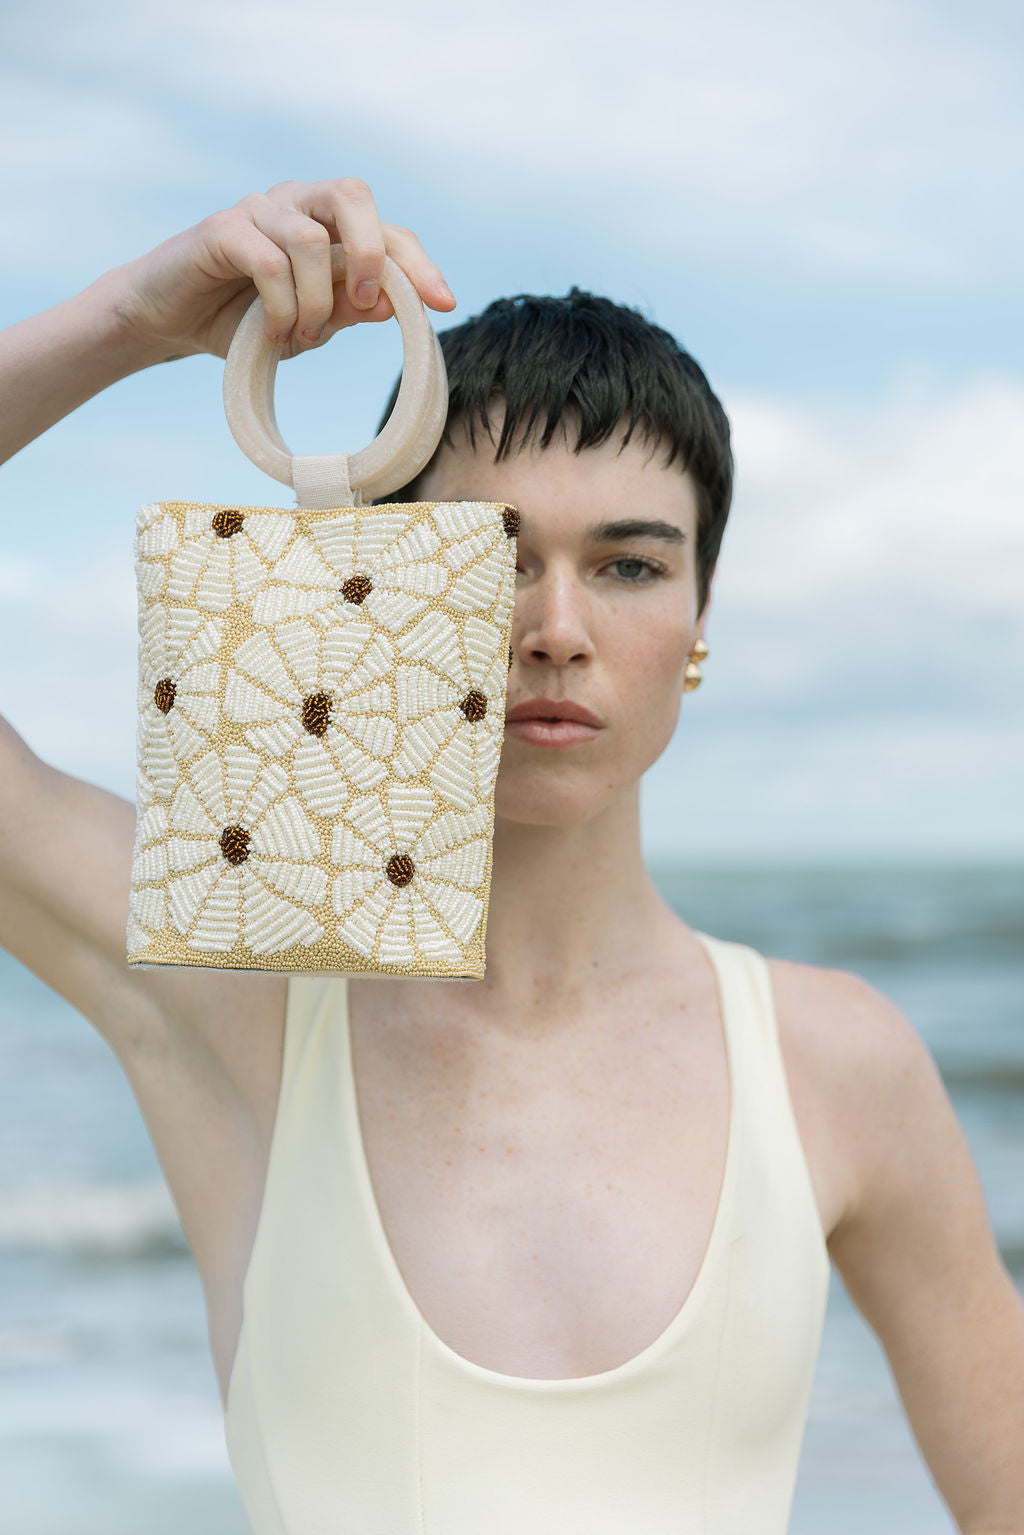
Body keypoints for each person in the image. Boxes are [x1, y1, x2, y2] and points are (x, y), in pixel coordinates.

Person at [1, 177, 1022, 1534]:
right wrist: (129, 322)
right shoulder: (239, 997)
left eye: (629, 565)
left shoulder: (836, 1064)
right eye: (491, 554)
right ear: (384, 585)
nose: (555, 628)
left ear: (701, 615)